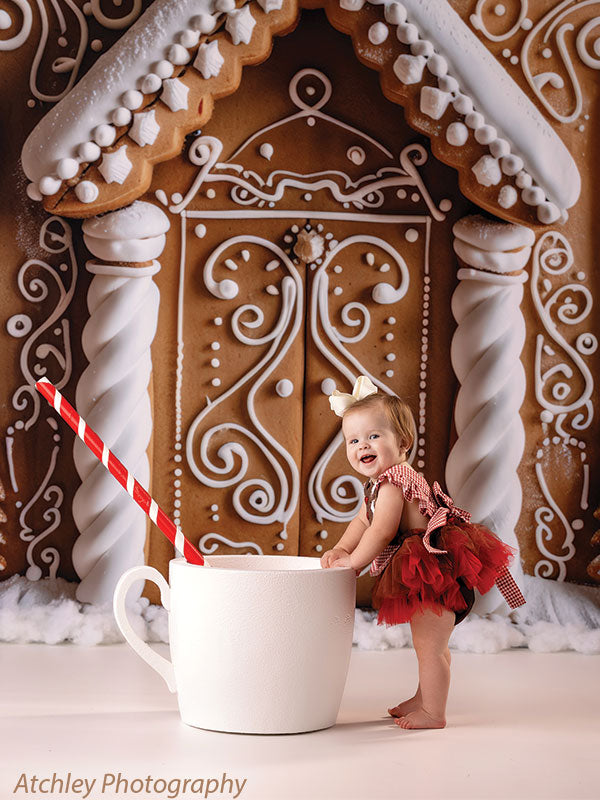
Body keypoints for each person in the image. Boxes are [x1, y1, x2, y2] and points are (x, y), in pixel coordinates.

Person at [321, 376, 525, 730]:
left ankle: (433, 712)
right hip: (428, 565)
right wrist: (341, 546)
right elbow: (362, 519)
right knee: (430, 643)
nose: (362, 445)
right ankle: (424, 697)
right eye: (353, 440)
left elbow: (382, 530)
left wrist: (354, 563)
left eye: (373, 436)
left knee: (430, 646)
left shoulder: (393, 482)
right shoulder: (378, 484)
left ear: (402, 443)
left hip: (432, 566)